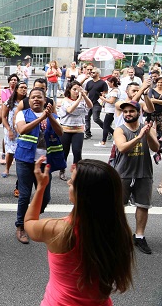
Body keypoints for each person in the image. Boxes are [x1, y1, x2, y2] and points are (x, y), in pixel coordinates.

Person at [24, 158, 134, 305]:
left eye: (73, 181)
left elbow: (29, 222)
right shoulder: (119, 231)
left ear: (83, 194)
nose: (69, 183)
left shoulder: (59, 230)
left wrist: (41, 188)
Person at [14, 88, 65, 244]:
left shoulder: (53, 116)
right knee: (24, 194)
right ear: (29, 101)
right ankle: (21, 226)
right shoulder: (23, 114)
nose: (36, 99)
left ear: (45, 101)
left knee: (45, 196)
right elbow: (22, 130)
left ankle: (31, 214)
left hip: (45, 163)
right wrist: (42, 117)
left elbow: (60, 132)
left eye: (39, 97)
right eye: (33, 97)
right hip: (25, 160)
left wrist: (49, 117)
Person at [112, 100, 159, 254]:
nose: (128, 114)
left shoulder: (147, 128)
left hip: (144, 173)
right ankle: (119, 235)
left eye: (131, 111)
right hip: (123, 173)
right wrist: (139, 137)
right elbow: (122, 148)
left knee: (143, 205)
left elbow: (155, 148)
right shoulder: (120, 130)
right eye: (125, 112)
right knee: (119, 206)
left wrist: (148, 134)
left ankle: (139, 236)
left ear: (139, 112)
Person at [57, 81, 91, 180]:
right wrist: (79, 99)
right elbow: (70, 110)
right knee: (64, 152)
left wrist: (84, 96)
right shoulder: (65, 100)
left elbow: (90, 106)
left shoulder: (83, 99)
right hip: (66, 129)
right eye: (74, 89)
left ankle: (77, 172)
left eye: (78, 89)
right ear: (69, 90)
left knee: (77, 151)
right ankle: (62, 170)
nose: (76, 92)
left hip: (79, 129)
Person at [2, 81, 28, 194]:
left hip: (22, 130)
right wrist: (8, 129)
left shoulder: (27, 102)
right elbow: (3, 117)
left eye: (25, 88)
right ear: (16, 89)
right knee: (10, 152)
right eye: (21, 87)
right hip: (11, 130)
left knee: (20, 153)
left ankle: (20, 173)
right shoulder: (9, 102)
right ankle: (7, 168)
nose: (24, 89)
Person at [83, 68, 108, 140]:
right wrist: (84, 100)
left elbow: (105, 92)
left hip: (97, 103)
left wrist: (102, 97)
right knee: (87, 118)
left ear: (98, 74)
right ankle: (88, 133)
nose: (91, 73)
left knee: (96, 118)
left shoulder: (102, 83)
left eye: (93, 72)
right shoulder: (89, 82)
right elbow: (86, 92)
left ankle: (107, 129)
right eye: (91, 72)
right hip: (89, 102)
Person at [96, 76, 121, 146]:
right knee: (106, 125)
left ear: (112, 82)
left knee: (105, 126)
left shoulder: (115, 91)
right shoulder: (112, 90)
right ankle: (115, 135)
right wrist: (105, 96)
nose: (108, 84)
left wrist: (103, 99)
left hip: (112, 111)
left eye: (109, 83)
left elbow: (112, 101)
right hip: (109, 110)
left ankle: (103, 141)